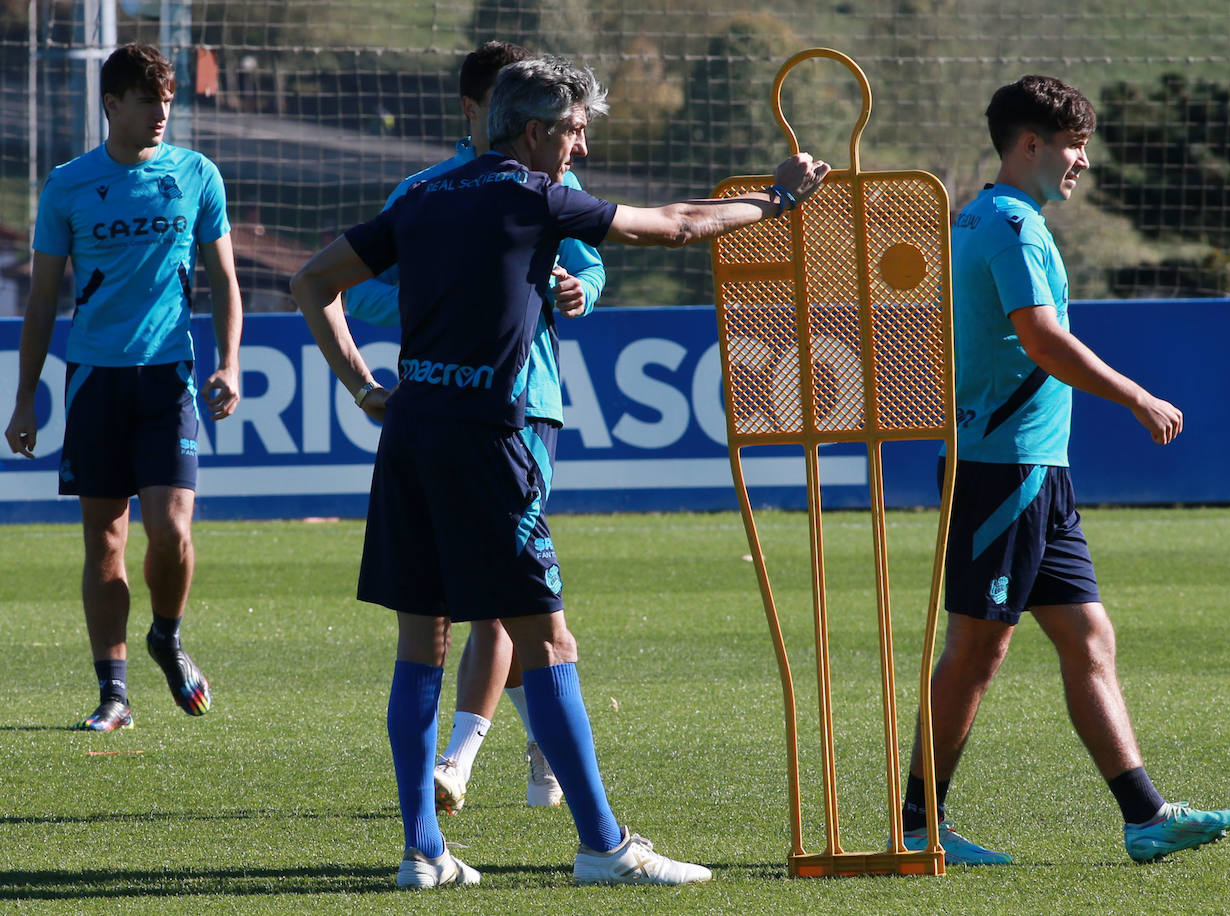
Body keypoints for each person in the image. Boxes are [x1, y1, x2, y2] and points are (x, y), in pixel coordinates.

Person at [291, 55, 828, 888]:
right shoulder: (529, 195)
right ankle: (605, 847)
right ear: (536, 130)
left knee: (419, 644)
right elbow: (678, 224)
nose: (579, 149)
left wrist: (366, 386)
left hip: (413, 437)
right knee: (548, 636)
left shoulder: (427, 196)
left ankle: (423, 852)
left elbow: (312, 279)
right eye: (574, 131)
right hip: (488, 441)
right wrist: (779, 198)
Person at [898, 75, 1230, 865]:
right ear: (1030, 144)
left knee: (1090, 637)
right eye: (1073, 145)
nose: (1082, 162)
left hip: (1035, 470)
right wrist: (1134, 395)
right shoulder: (1011, 226)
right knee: (977, 649)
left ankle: (1145, 816)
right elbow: (1042, 340)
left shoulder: (991, 217)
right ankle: (916, 823)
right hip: (1002, 468)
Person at [344, 40, 601, 815]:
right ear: (479, 111)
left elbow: (590, 267)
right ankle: (513, 749)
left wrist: (573, 287)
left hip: (531, 404)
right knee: (497, 600)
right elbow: (360, 298)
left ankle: (454, 772)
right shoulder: (421, 193)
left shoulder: (554, 183)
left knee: (492, 599)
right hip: (456, 408)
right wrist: (452, 300)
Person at [3, 43, 242, 732]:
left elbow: (225, 280)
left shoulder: (196, 174)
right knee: (104, 542)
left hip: (169, 377)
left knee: (169, 529)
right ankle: (114, 693)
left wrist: (229, 363)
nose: (162, 113)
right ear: (112, 105)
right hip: (94, 382)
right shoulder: (68, 184)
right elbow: (44, 298)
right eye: (148, 101)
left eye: (168, 100)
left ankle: (165, 636)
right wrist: (26, 397)